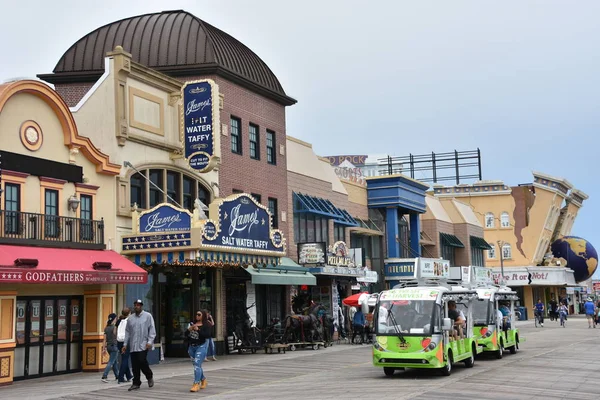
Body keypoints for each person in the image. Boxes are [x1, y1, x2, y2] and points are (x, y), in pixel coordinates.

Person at [122, 299, 156, 392]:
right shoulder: (130, 319)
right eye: (135, 305)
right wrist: (125, 344)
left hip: (143, 344)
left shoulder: (148, 316)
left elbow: (152, 330)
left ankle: (149, 376)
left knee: (142, 360)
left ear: (141, 306)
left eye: (138, 305)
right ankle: (136, 383)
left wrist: (150, 341)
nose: (137, 306)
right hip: (133, 345)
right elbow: (127, 332)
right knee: (135, 365)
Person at [187, 309, 214, 392]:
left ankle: (196, 383)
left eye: (199, 314)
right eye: (196, 314)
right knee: (196, 365)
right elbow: (185, 334)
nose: (197, 316)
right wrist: (189, 329)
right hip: (192, 346)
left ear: (203, 316)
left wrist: (198, 329)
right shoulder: (192, 323)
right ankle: (203, 380)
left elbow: (207, 335)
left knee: (197, 364)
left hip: (201, 345)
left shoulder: (207, 324)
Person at [101, 313, 119, 383]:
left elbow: (104, 339)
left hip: (108, 346)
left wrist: (103, 348)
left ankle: (117, 375)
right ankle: (104, 376)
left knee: (114, 361)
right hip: (114, 346)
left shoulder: (106, 328)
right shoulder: (114, 327)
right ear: (114, 319)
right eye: (116, 318)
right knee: (111, 362)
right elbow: (116, 335)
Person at [116, 308, 133, 383]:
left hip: (119, 341)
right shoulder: (129, 321)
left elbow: (114, 331)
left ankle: (129, 375)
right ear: (129, 313)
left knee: (123, 358)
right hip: (126, 341)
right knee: (125, 359)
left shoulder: (119, 320)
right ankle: (121, 377)